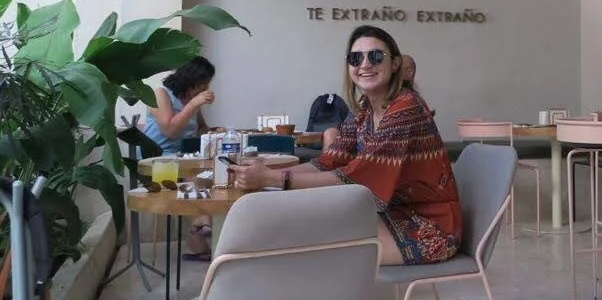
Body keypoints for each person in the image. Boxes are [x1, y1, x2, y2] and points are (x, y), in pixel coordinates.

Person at [230, 26, 461, 265]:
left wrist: (272, 179)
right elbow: (328, 161)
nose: (365, 64)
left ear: (395, 64)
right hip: (388, 214)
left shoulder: (406, 108)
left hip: (428, 226)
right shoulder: (364, 109)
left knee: (305, 250)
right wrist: (264, 173)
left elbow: (356, 179)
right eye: (355, 58)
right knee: (290, 229)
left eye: (375, 56)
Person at [140, 56, 216, 260]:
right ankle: (202, 227)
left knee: (212, 175)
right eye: (202, 84)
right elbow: (169, 130)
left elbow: (201, 129)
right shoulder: (160, 94)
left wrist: (214, 132)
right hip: (156, 161)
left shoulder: (192, 100)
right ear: (189, 80)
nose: (205, 89)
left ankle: (201, 232)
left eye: (207, 84)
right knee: (195, 177)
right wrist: (193, 105)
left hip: (183, 159)